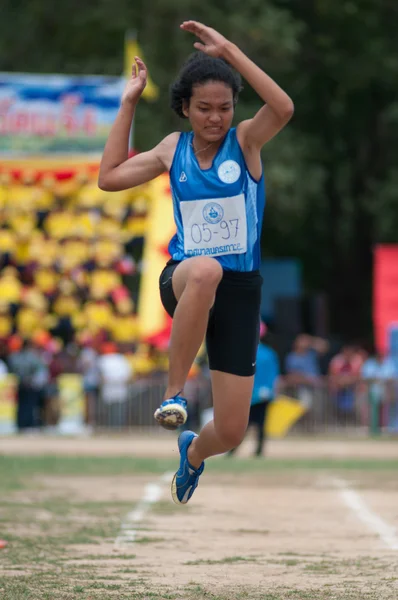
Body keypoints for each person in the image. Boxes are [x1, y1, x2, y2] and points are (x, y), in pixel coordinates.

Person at [99, 20, 294, 504]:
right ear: (185, 108)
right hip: (184, 279)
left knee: (231, 431)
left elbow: (284, 106)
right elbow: (109, 177)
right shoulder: (172, 148)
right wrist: (127, 103)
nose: (215, 118)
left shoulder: (246, 142)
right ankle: (174, 394)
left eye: (224, 108)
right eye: (203, 109)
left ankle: (192, 454)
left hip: (240, 290)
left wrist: (228, 50)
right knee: (206, 267)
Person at [228, 323, 280, 457]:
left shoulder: (244, 351)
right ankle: (258, 451)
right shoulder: (270, 353)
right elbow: (274, 375)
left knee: (243, 424)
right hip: (264, 394)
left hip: (248, 394)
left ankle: (233, 450)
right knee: (261, 425)